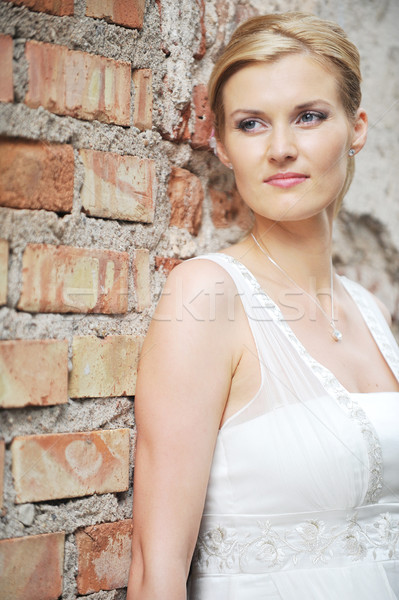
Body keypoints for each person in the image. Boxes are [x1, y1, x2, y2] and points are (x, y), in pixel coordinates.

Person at [127, 12, 399, 600]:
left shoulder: (369, 311)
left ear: (357, 127)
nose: (281, 149)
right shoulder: (207, 296)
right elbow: (157, 569)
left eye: (308, 116)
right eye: (252, 124)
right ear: (223, 145)